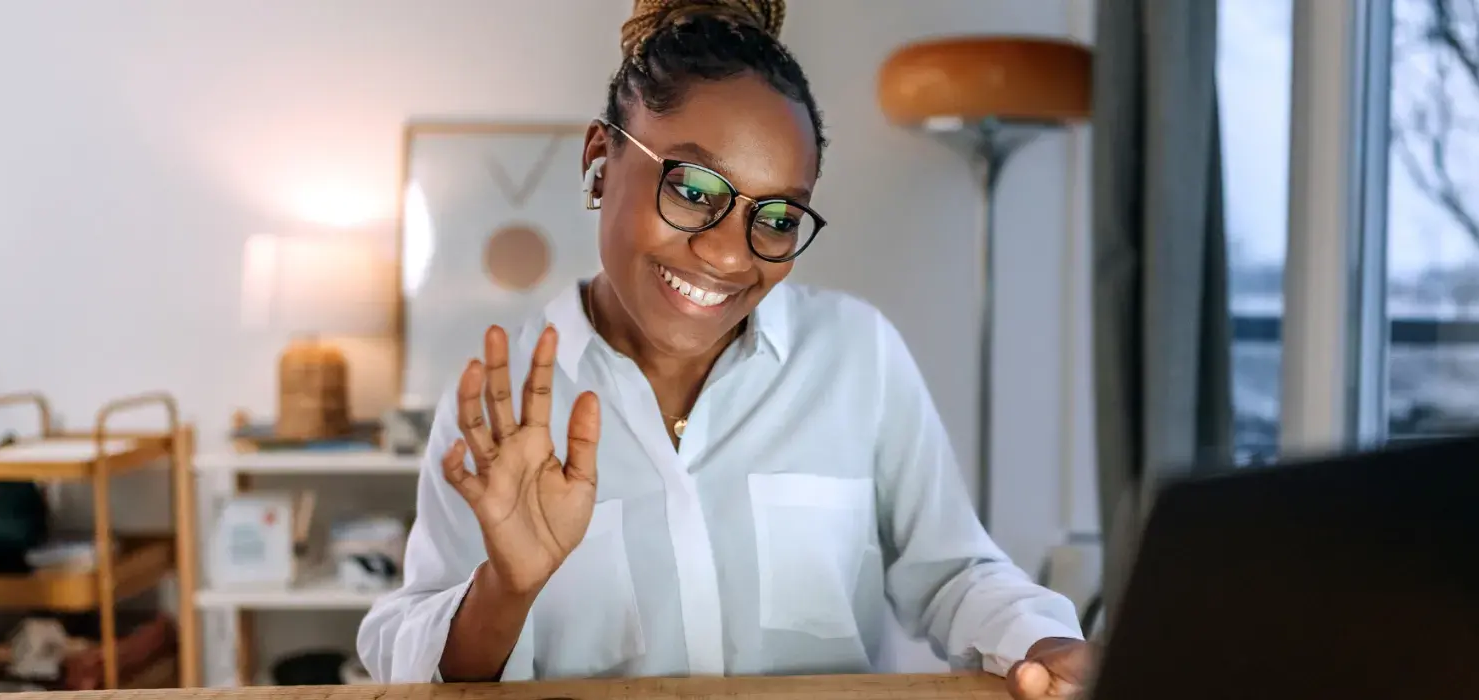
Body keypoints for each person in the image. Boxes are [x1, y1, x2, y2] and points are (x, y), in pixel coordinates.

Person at [356, 1, 1091, 697]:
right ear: (601, 157)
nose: (727, 255)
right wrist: (503, 592)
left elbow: (955, 573)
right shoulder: (502, 399)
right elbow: (400, 644)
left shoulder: (856, 354)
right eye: (694, 188)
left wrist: (1040, 641)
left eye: (775, 216)